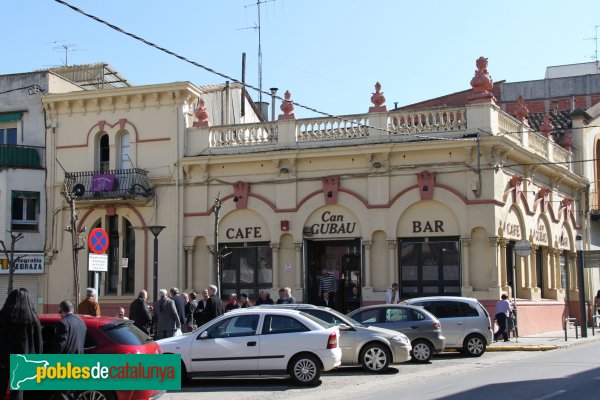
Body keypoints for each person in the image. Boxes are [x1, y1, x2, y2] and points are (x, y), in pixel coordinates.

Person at [0, 288, 43, 400]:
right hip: (24, 360)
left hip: (3, 359)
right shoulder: (33, 319)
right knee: (18, 392)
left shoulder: (2, 317)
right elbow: (39, 344)